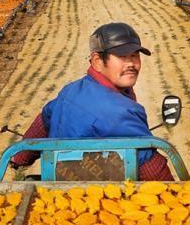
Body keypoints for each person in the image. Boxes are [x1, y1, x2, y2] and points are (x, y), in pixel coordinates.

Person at [10, 22, 174, 181]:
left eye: (135, 55)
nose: (131, 63)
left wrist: (19, 159)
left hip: (58, 185)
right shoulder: (121, 113)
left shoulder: (70, 90)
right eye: (122, 56)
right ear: (97, 61)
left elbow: (44, 120)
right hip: (101, 196)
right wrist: (175, 192)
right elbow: (152, 169)